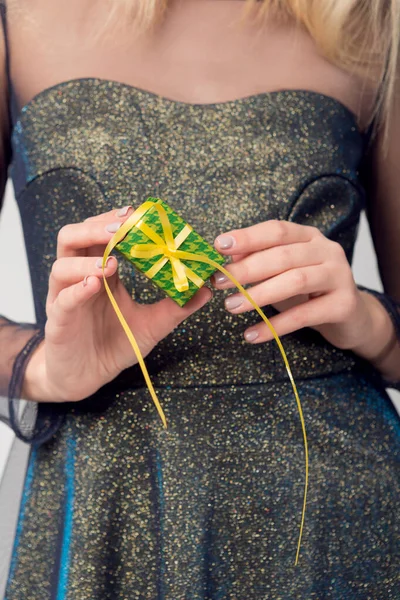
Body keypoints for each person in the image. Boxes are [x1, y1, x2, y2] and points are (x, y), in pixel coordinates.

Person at [0, 0, 399, 597]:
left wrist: (369, 322)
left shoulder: (375, 21)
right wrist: (46, 368)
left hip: (333, 504)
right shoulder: (16, 18)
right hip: (110, 504)